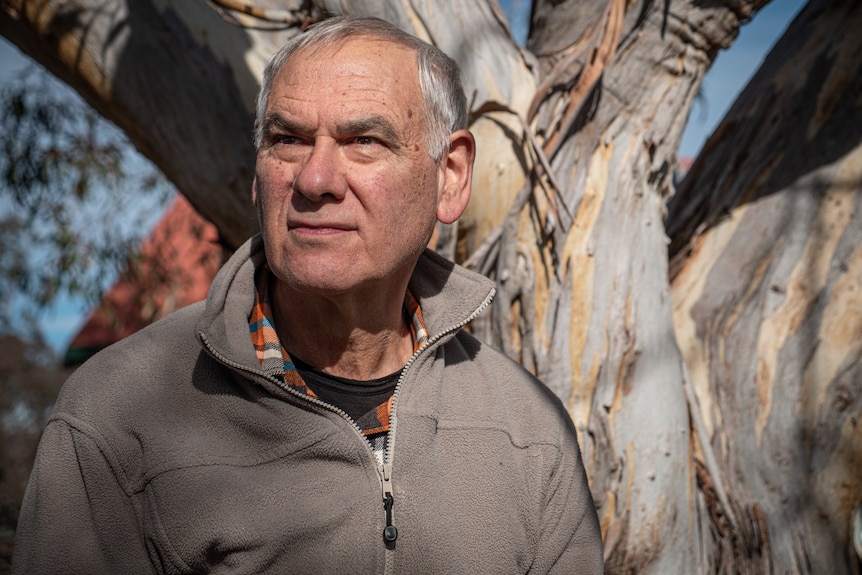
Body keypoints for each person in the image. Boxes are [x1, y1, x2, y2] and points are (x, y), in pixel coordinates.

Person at [12, 16, 604, 574]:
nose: (315, 180)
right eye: (289, 140)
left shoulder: (527, 430)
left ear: (449, 176)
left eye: (365, 140)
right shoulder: (118, 413)